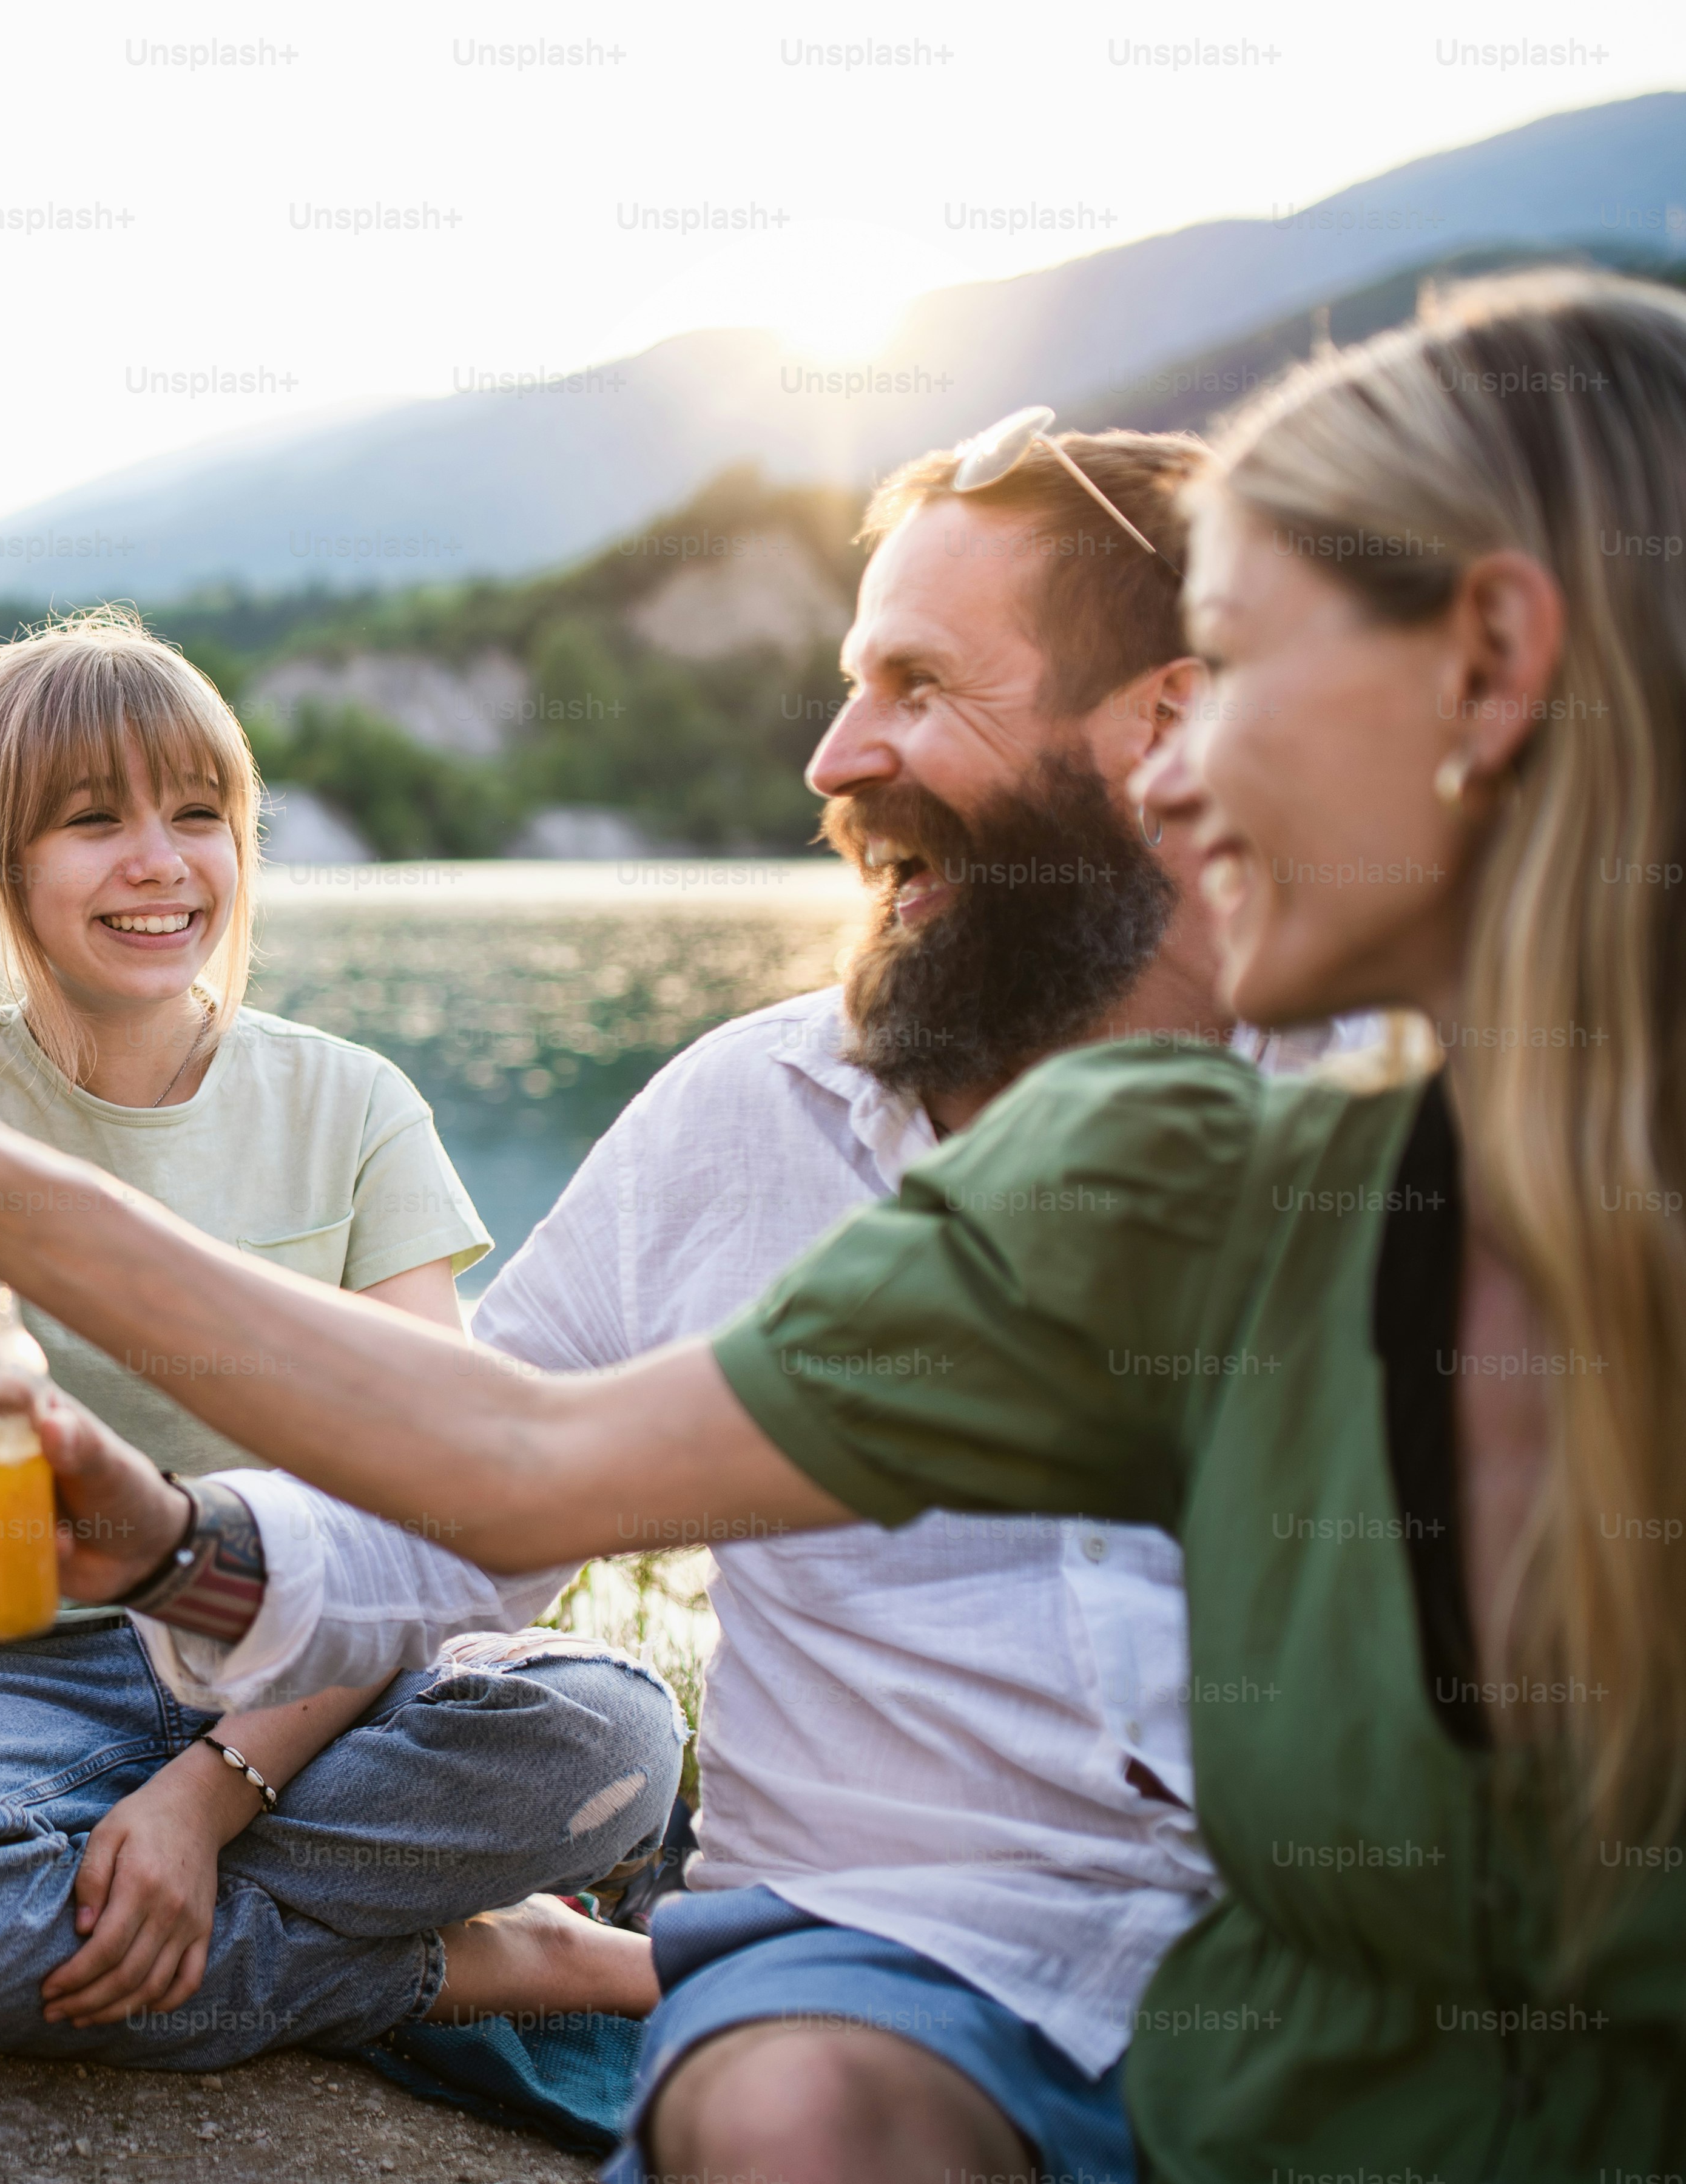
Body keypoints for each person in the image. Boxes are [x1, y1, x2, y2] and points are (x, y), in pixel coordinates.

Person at [0, 271, 1686, 2178]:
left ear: (1494, 668)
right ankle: (500, 1970)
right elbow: (512, 1462)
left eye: (1222, 674)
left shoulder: (1220, 1165)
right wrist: (145, 1524)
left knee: (593, 1730)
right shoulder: (1150, 1178)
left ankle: (514, 1960)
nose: (1186, 767)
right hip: (848, 1967)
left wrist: (211, 1745)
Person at [0, 609, 675, 2066]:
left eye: (199, 816)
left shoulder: (353, 1106)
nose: (162, 861)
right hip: (8, 1670)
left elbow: (428, 1506)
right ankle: (486, 1955)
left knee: (609, 1734)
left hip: (319, 1675)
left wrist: (207, 1798)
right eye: (94, 821)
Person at [467, 424, 1276, 2184]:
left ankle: (595, 1965)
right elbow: (481, 1480)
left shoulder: (1425, 1102)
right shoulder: (748, 1109)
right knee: (796, 2125)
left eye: (916, 684)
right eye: (850, 683)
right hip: (869, 1976)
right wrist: (172, 1582)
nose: (834, 761)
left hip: (1331, 1987)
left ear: (1169, 724)